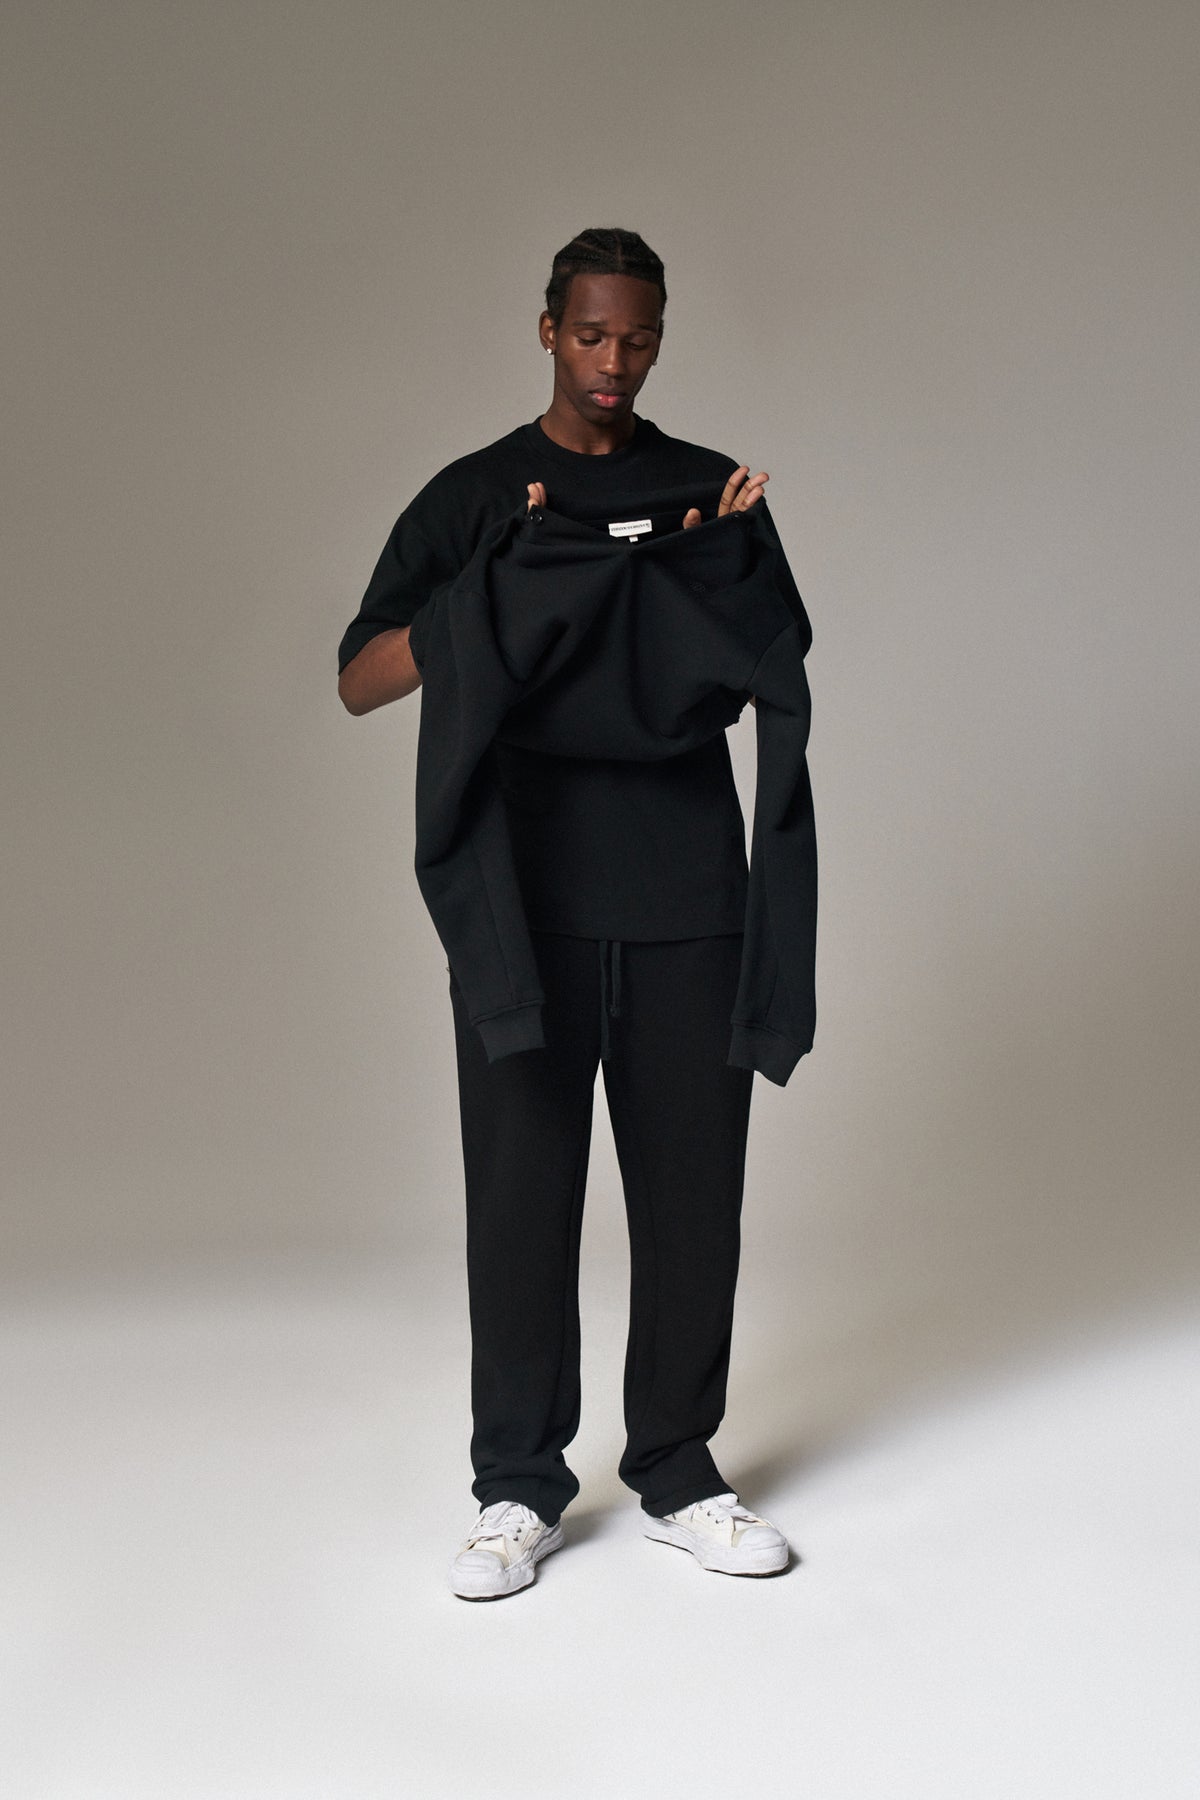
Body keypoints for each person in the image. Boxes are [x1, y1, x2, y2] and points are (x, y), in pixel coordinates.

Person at [338, 227, 805, 1599]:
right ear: (548, 329)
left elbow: (774, 656)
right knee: (521, 1203)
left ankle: (679, 1470)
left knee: (693, 1201)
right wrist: (489, 595)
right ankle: (517, 1488)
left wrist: (704, 561)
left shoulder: (708, 489)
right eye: (591, 334)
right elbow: (361, 678)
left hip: (689, 894)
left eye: (638, 338)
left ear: (661, 337)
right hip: (522, 902)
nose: (614, 360)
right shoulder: (476, 495)